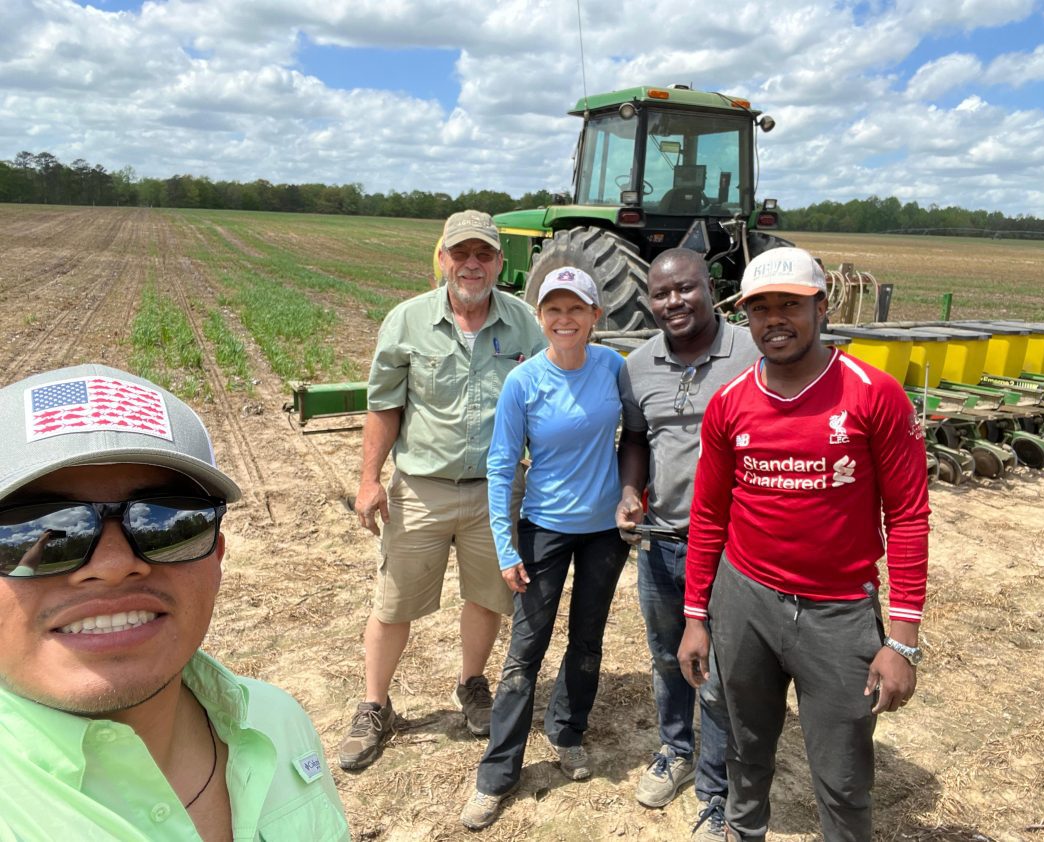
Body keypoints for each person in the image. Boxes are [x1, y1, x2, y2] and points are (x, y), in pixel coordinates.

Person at [0, 364, 348, 840]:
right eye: (28, 532)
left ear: (217, 556)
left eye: (164, 520)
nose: (114, 563)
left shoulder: (276, 721)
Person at [678, 247, 931, 842]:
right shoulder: (729, 403)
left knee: (843, 777)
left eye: (790, 304)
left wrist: (903, 640)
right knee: (745, 751)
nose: (774, 320)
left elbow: (909, 516)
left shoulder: (874, 394)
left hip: (838, 612)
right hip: (745, 603)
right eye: (759, 308)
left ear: (822, 306)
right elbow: (710, 515)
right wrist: (697, 615)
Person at [341, 210, 546, 771]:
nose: (472, 265)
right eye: (462, 254)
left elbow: (547, 398)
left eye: (484, 254)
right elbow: (384, 405)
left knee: (486, 595)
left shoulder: (525, 324)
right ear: (443, 259)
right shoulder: (406, 322)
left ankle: (472, 685)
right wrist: (369, 481)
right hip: (421, 489)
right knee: (393, 602)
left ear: (501, 263)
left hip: (495, 494)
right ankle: (375, 704)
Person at [461, 267, 630, 830]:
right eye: (553, 310)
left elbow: (636, 437)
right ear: (540, 318)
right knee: (524, 652)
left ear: (594, 317)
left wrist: (634, 493)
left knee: (587, 640)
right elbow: (502, 463)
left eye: (576, 309)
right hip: (545, 530)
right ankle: (497, 772)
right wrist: (506, 548)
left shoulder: (613, 367)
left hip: (604, 531)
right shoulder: (525, 382)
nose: (565, 320)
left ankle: (567, 731)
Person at [615, 248, 759, 841]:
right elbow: (637, 438)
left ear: (711, 289)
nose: (673, 302)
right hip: (664, 541)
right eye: (661, 293)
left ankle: (716, 788)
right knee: (669, 655)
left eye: (686, 289)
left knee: (720, 670)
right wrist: (630, 491)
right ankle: (674, 749)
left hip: (733, 549)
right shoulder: (638, 364)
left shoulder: (752, 354)